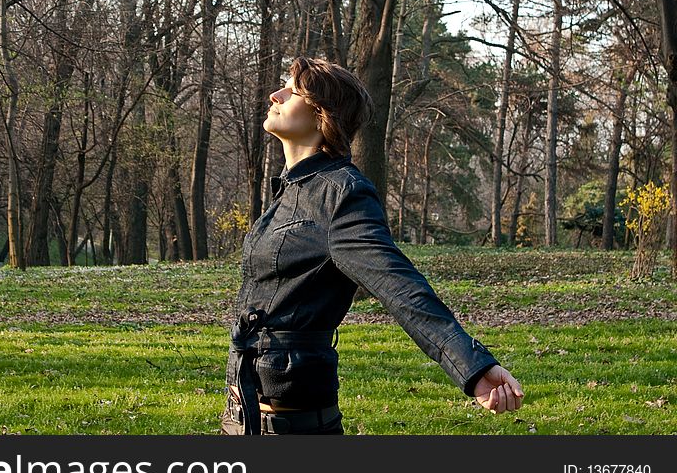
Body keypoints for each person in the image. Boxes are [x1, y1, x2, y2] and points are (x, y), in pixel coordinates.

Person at [221, 56, 524, 435]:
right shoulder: (289, 191)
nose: (275, 95)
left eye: (292, 90)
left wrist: (473, 366)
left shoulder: (342, 195)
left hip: (293, 425)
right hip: (242, 415)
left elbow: (401, 288)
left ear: (321, 114)